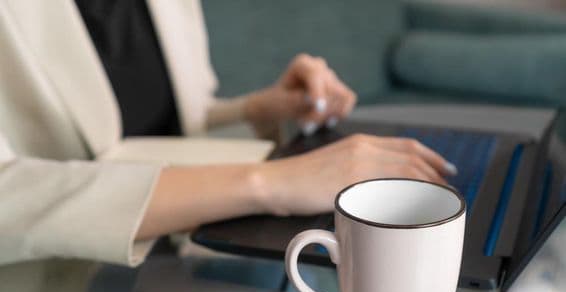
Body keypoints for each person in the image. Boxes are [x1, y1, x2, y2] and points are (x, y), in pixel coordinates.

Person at [0, 0, 454, 267]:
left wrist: (260, 108)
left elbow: (177, 126)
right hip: (55, 285)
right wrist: (270, 183)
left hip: (187, 256)